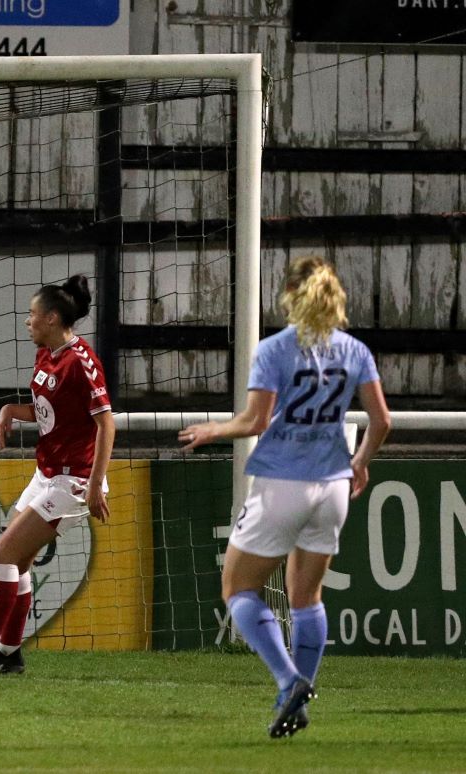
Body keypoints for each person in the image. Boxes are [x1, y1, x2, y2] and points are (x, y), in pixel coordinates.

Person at [177, 255, 390, 738]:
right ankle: (298, 698)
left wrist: (214, 430)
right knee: (307, 597)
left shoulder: (275, 349)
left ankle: (287, 679)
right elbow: (382, 422)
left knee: (238, 590)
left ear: (291, 296)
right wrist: (360, 463)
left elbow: (253, 421)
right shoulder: (355, 351)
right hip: (334, 485)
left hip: (283, 485)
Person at [0, 275, 114, 676]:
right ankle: (10, 654)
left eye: (32, 315)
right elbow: (50, 412)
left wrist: (96, 486)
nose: (26, 321)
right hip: (47, 472)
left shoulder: (82, 362)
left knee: (2, 553)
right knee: (19, 561)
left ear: (51, 318)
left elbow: (107, 425)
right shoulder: (45, 355)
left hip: (75, 480)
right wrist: (11, 411)